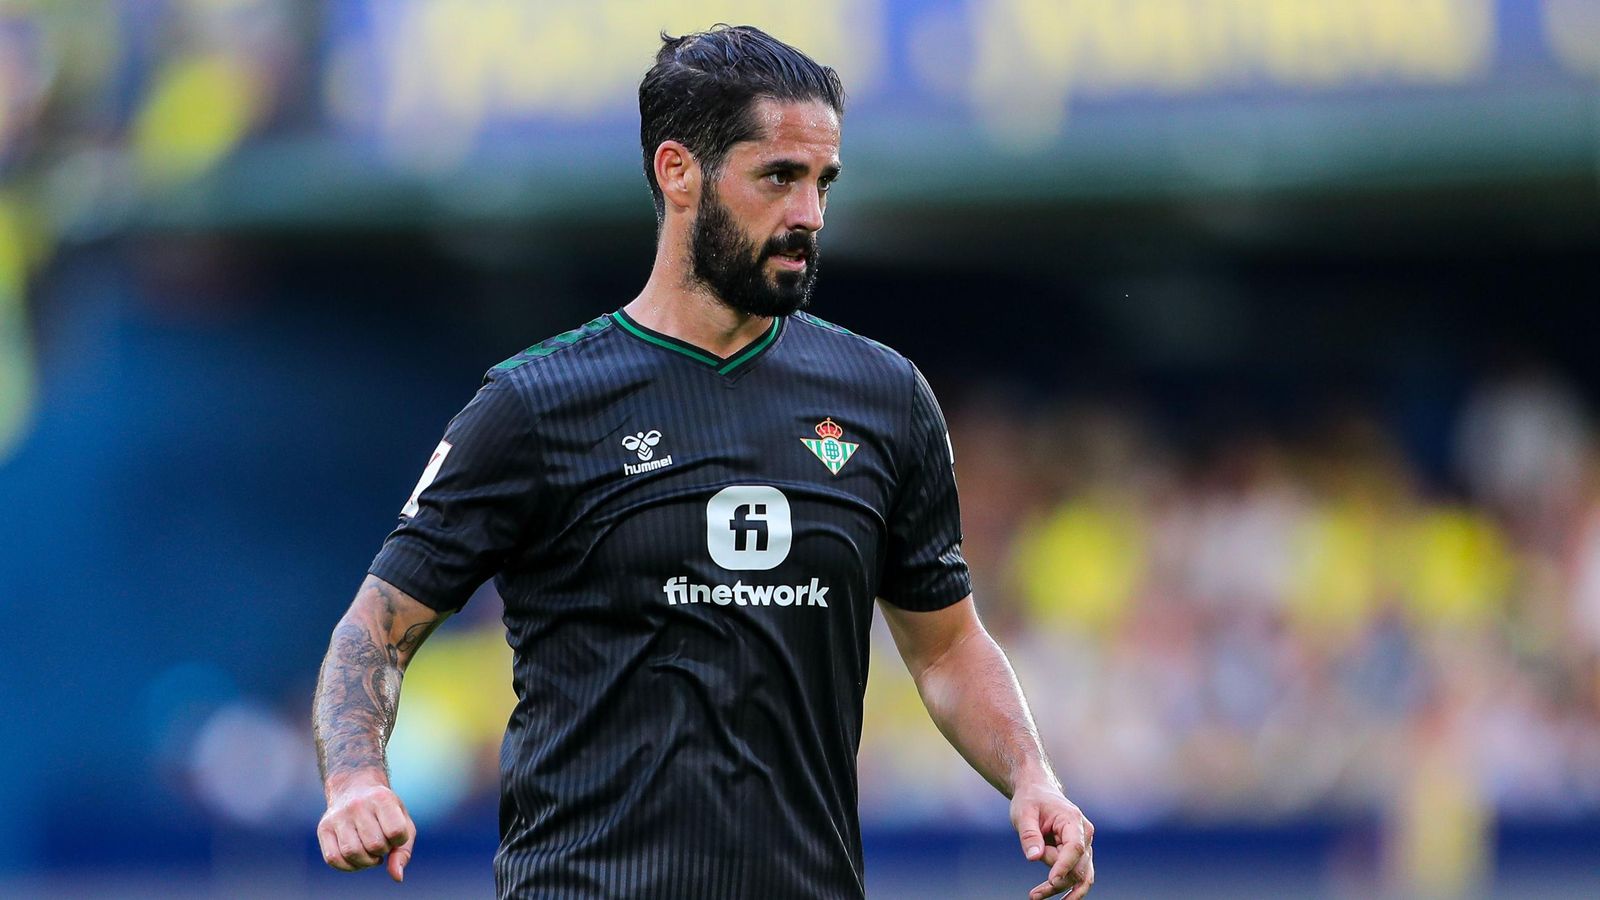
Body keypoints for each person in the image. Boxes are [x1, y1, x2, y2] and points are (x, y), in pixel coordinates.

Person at [312, 24, 1094, 900]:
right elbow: (373, 630)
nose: (809, 215)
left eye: (823, 183)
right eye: (778, 178)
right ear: (678, 172)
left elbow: (948, 650)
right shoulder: (534, 405)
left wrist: (1032, 776)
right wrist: (356, 779)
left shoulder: (884, 398)